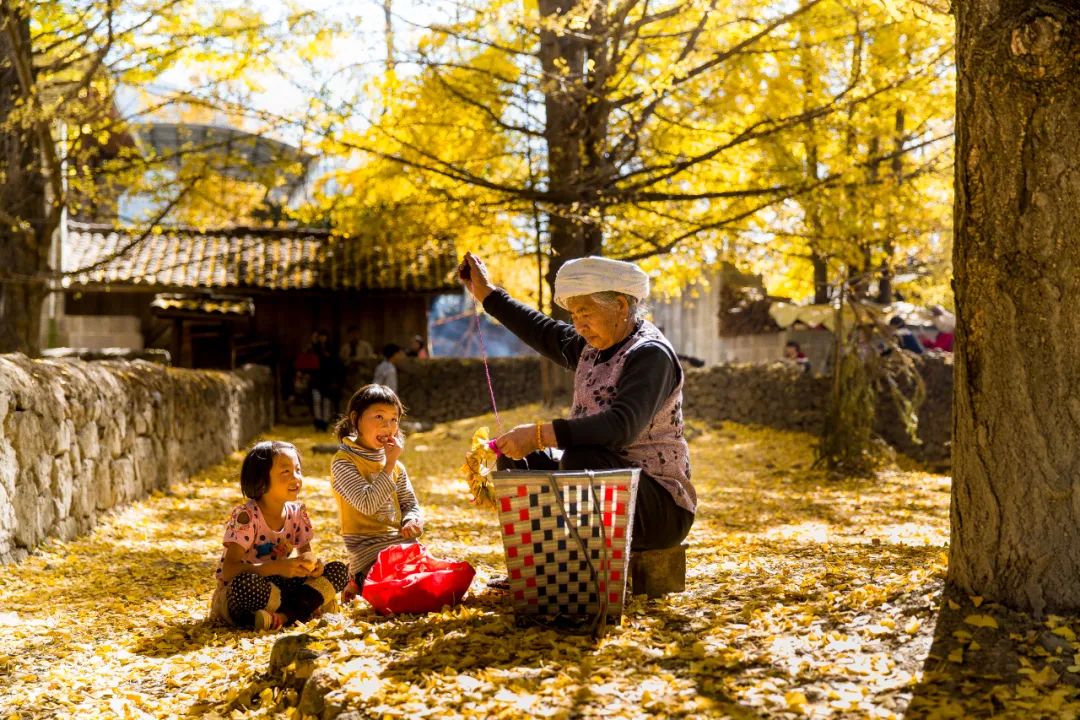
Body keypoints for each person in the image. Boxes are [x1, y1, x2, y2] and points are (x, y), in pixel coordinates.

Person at [458, 252, 694, 551]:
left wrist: (539, 434)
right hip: (609, 486)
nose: (579, 326)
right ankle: (542, 559)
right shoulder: (591, 346)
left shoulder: (650, 354)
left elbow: (621, 426)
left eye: (586, 313)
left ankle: (583, 562)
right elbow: (540, 329)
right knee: (518, 461)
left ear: (620, 305)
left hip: (660, 509)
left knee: (581, 461)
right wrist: (487, 294)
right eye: (574, 316)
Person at [209, 441, 349, 630]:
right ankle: (305, 607)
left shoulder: (298, 512)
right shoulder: (247, 517)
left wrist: (314, 566)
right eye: (286, 471)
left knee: (338, 570)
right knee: (245, 586)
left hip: (282, 588)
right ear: (261, 480)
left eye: (297, 470)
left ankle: (281, 617)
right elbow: (229, 571)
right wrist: (277, 567)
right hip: (245, 591)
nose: (296, 477)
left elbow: (306, 555)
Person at [330, 385, 424, 602]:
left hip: (404, 548)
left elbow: (410, 504)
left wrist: (412, 520)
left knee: (437, 583)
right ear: (356, 419)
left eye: (393, 419)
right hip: (369, 555)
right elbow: (368, 504)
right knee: (401, 593)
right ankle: (356, 580)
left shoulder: (396, 466)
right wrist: (389, 464)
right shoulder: (343, 462)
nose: (387, 426)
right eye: (379, 417)